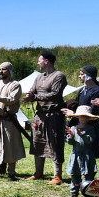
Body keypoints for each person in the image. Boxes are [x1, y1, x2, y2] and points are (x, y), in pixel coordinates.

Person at [23, 50, 67, 184]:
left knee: (55, 143)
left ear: (46, 61)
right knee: (37, 142)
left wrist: (35, 97)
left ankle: (57, 176)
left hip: (54, 114)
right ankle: (38, 172)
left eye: (39, 59)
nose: (38, 62)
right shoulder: (38, 77)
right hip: (40, 115)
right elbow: (32, 90)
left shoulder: (59, 76)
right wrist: (29, 95)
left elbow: (55, 94)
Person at [62, 65, 99, 158]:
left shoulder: (98, 91)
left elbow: (93, 110)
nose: (80, 76)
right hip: (80, 124)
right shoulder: (82, 90)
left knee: (90, 152)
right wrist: (72, 111)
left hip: (91, 126)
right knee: (80, 149)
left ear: (88, 76)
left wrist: (74, 114)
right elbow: (80, 107)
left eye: (82, 74)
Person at [65, 106, 97, 197]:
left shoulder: (91, 128)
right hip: (76, 155)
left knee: (88, 175)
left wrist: (82, 134)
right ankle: (74, 194)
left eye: (85, 116)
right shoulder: (74, 128)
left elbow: (90, 141)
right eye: (81, 116)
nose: (83, 118)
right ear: (78, 117)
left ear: (88, 118)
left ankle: (88, 195)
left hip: (87, 155)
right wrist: (71, 136)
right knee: (75, 175)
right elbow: (70, 142)